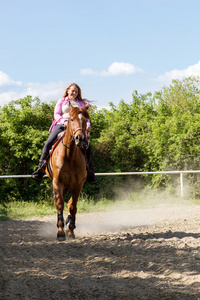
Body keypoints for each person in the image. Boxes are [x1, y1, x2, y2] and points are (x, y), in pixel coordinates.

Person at [31, 83, 98, 183]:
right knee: (48, 143)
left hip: (77, 127)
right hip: (62, 125)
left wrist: (88, 125)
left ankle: (90, 172)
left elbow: (85, 117)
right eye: (73, 91)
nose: (74, 93)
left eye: (76, 92)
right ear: (67, 91)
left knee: (87, 147)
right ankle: (40, 169)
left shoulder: (80, 103)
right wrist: (64, 121)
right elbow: (56, 115)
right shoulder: (62, 101)